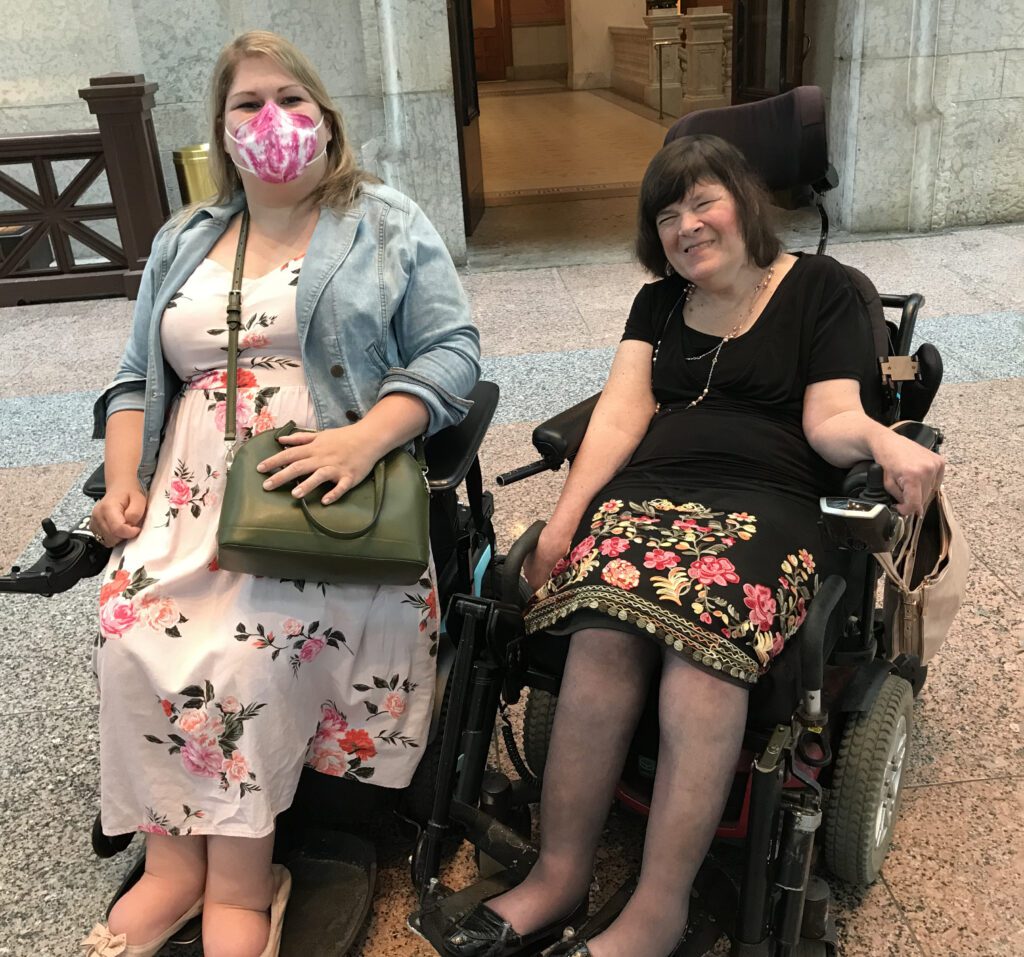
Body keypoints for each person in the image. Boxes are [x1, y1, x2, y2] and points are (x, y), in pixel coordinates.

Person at [443, 135, 943, 957]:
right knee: (600, 636)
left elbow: (829, 418)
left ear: (744, 203)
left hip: (769, 506)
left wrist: (885, 444)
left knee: (701, 654)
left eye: (702, 201)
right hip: (649, 498)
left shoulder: (823, 288)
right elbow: (619, 416)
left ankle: (657, 911)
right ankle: (561, 873)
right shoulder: (656, 305)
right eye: (667, 215)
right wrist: (567, 522)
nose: (686, 224)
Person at [84, 30, 479, 957]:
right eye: (249, 105)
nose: (274, 120)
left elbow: (453, 354)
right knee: (126, 624)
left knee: (242, 656)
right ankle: (176, 867)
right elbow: (137, 378)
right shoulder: (186, 237)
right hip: (191, 499)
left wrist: (363, 437)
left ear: (325, 117)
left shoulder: (385, 220)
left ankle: (242, 885)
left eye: (292, 100)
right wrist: (120, 483)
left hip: (320, 502)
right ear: (221, 133)